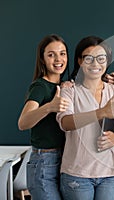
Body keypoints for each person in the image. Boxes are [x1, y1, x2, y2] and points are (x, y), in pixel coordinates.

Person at [56, 36, 114, 200]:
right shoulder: (69, 91)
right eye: (88, 58)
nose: (95, 64)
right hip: (77, 173)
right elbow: (65, 123)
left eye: (101, 59)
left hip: (110, 174)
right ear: (79, 61)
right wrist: (101, 112)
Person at [18, 34, 69, 199]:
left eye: (62, 53)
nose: (58, 59)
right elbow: (23, 122)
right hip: (44, 161)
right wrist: (49, 107)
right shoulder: (40, 86)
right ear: (42, 59)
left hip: (65, 159)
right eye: (51, 54)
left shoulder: (64, 86)